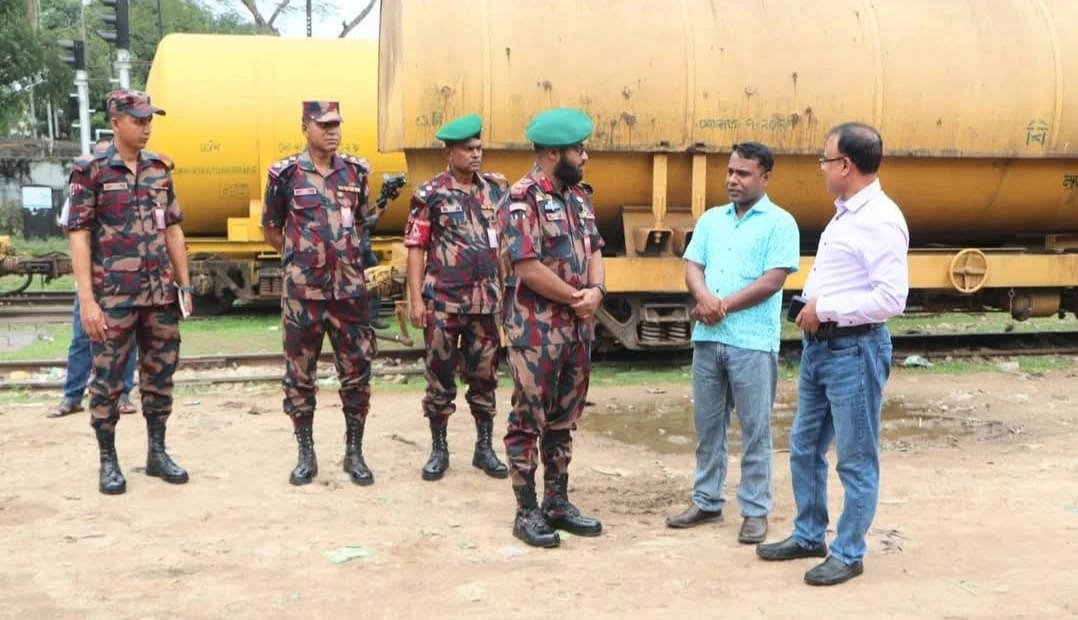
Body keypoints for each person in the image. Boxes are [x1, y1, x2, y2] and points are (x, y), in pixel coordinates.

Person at [756, 122, 909, 586]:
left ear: (845, 165)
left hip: (854, 350)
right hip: (822, 348)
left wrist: (826, 308)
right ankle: (809, 534)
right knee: (805, 446)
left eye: (825, 159)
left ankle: (848, 552)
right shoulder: (845, 213)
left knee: (855, 458)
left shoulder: (880, 219)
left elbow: (891, 298)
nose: (821, 168)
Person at [665, 142, 800, 544]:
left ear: (765, 177)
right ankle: (706, 500)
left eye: (743, 173)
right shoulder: (711, 220)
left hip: (752, 342)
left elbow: (773, 280)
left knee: (755, 430)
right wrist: (704, 298)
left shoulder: (781, 223)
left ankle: (755, 510)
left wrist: (721, 305)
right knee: (708, 428)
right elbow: (693, 265)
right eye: (730, 172)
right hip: (709, 339)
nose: (732, 180)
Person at [66, 90, 193, 495]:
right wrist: (88, 300)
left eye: (149, 119)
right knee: (106, 381)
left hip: (159, 295)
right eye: (138, 120)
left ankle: (157, 452)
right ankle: (109, 460)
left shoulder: (159, 169)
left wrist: (184, 284)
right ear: (116, 122)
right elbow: (79, 236)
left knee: (160, 375)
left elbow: (173, 230)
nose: (146, 127)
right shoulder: (90, 170)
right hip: (113, 298)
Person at [498, 107, 606, 548]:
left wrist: (597, 289)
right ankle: (526, 511)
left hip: (576, 330)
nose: (585, 156)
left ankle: (557, 503)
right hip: (536, 331)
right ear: (553, 153)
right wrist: (577, 298)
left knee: (564, 420)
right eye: (578, 149)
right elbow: (527, 267)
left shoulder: (579, 197)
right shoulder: (520, 199)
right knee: (528, 421)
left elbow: (595, 248)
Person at [261, 100, 378, 487]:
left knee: (356, 373)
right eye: (324, 125)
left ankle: (354, 452)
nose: (332, 131)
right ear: (305, 127)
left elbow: (358, 222)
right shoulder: (285, 174)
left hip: (349, 293)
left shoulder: (356, 172)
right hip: (303, 293)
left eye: (336, 125)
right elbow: (272, 228)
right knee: (299, 376)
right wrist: (300, 257)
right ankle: (305, 454)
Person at [403, 113, 509, 482]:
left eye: (479, 148)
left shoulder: (496, 191)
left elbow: (504, 248)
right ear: (449, 153)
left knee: (485, 378)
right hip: (443, 303)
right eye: (468, 149)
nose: (476, 154)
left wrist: (506, 296)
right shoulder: (430, 194)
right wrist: (416, 300)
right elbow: (416, 247)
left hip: (485, 304)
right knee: (439, 379)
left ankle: (484, 448)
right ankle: (439, 449)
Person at [51, 138, 138, 419]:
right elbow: (71, 231)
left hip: (122, 282)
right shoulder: (80, 191)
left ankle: (123, 395)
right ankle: (72, 396)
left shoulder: (128, 190)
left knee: (126, 341)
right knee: (81, 339)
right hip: (91, 282)